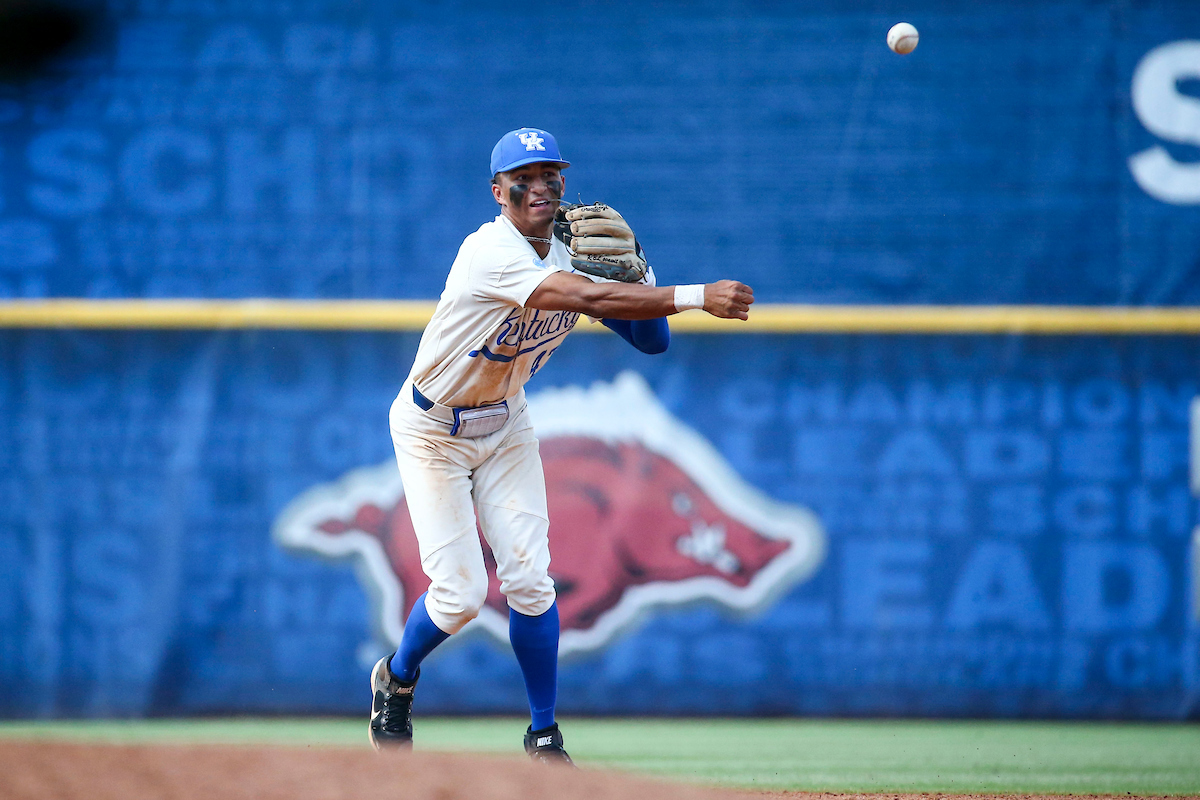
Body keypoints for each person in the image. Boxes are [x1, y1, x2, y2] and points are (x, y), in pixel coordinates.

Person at [369, 127, 754, 764]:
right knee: (461, 595)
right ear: (499, 192)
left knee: (531, 583)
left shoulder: (573, 252)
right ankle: (397, 677)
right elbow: (585, 297)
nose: (542, 185)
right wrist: (693, 294)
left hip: (505, 422)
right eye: (526, 176)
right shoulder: (488, 251)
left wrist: (641, 269)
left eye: (552, 174)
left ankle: (543, 736)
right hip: (432, 429)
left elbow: (650, 342)